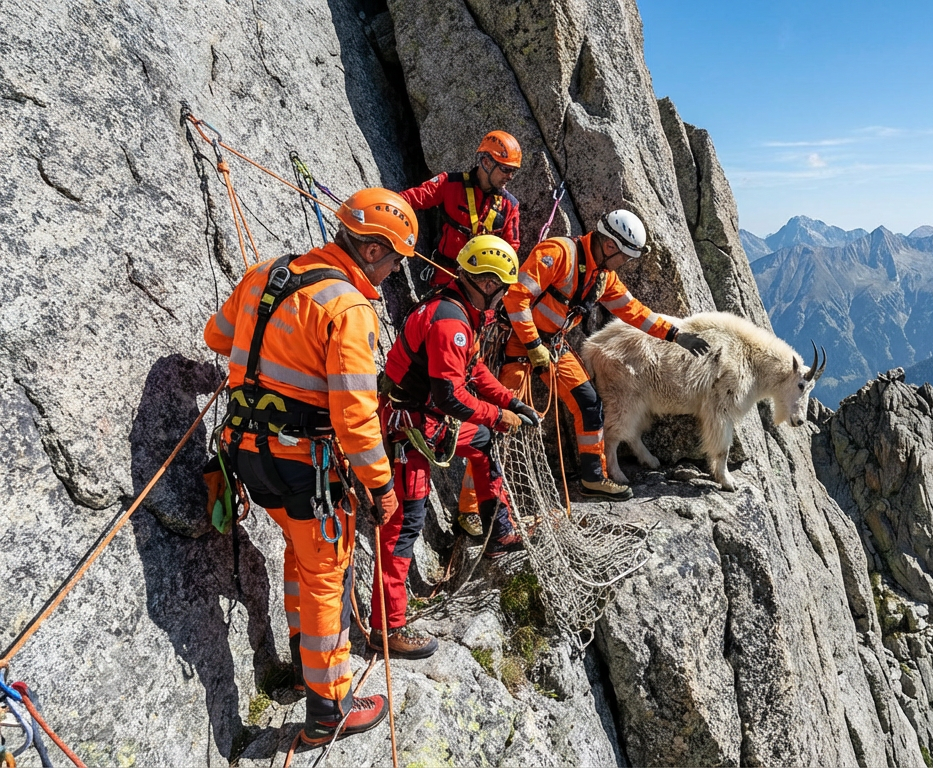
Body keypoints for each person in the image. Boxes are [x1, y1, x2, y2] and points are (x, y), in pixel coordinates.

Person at [203, 188, 414, 745]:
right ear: (372, 250)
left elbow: (217, 336)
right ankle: (331, 706)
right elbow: (355, 415)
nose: (394, 271)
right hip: (305, 464)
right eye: (395, 259)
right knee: (326, 573)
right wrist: (381, 485)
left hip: (245, 455)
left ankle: (303, 664)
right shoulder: (348, 308)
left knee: (300, 553)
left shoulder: (265, 273)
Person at [376, 234, 541, 656]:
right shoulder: (452, 321)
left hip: (422, 420)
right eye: (502, 287)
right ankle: (387, 627)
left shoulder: (458, 307)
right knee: (404, 525)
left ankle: (497, 530)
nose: (504, 296)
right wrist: (496, 415)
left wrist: (509, 400)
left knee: (482, 442)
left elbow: (474, 369)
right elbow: (450, 395)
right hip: (405, 429)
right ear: (487, 283)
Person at [500, 209, 711, 501]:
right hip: (517, 343)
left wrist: (676, 335)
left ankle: (594, 478)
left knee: (589, 405)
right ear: (610, 245)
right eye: (624, 255)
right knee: (504, 419)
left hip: (552, 346)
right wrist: (533, 344)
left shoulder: (603, 278)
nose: (624, 263)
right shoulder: (558, 252)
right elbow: (516, 297)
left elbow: (635, 312)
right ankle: (475, 508)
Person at [399, 131, 522, 288]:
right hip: (445, 276)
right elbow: (410, 199)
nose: (510, 176)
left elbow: (511, 250)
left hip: (481, 287)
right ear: (486, 162)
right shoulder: (450, 184)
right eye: (505, 169)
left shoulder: (510, 206)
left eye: (514, 171)